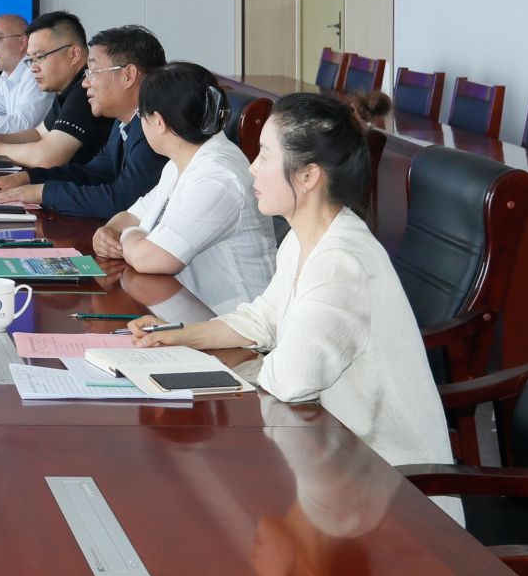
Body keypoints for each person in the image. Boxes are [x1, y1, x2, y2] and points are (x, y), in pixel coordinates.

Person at [127, 92, 457, 486]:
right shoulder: (304, 238)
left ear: (307, 176)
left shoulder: (340, 263)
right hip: (333, 457)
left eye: (265, 156)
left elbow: (291, 379)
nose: (252, 168)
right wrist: (178, 336)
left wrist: (210, 369)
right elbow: (262, 319)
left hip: (391, 486)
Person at [92, 62, 275, 314]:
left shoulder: (218, 177)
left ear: (158, 122)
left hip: (239, 326)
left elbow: (149, 258)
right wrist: (108, 231)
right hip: (195, 311)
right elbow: (133, 215)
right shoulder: (180, 162)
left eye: (141, 115)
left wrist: (125, 236)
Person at [0, 25, 168, 218]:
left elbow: (121, 201)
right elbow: (92, 174)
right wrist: (29, 178)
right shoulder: (124, 124)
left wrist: (42, 193)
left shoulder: (156, 128)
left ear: (128, 75)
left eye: (93, 71)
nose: (85, 82)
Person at [0, 11, 113, 170]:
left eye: (40, 57)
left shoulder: (87, 91)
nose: (33, 68)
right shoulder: (68, 89)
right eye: (31, 60)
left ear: (74, 54)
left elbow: (47, 157)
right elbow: (38, 134)